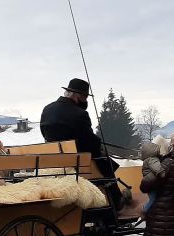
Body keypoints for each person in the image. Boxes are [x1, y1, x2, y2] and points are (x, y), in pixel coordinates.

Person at [40, 78, 124, 209]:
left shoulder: (47, 109)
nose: (86, 101)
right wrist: (99, 144)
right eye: (85, 97)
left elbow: (44, 134)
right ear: (77, 96)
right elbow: (89, 140)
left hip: (54, 158)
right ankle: (116, 201)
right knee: (105, 161)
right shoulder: (79, 114)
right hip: (76, 160)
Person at [140, 142, 166, 219]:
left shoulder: (148, 159)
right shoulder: (152, 159)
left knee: (153, 198)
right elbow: (156, 167)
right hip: (152, 184)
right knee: (153, 199)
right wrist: (162, 172)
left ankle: (149, 210)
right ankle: (144, 210)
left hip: (150, 183)